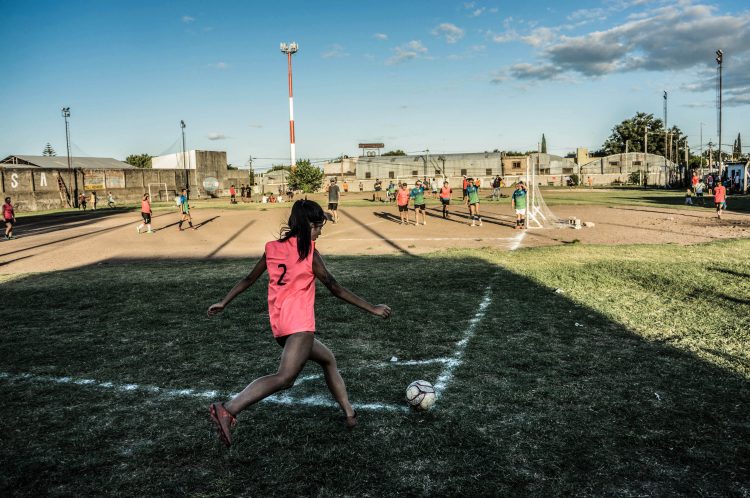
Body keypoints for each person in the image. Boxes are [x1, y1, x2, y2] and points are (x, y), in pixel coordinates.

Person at [207, 200, 391, 447]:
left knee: (328, 359)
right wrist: (372, 308)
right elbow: (334, 287)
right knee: (285, 378)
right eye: (318, 226)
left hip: (281, 325)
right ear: (307, 226)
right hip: (299, 325)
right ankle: (228, 408)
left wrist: (224, 301)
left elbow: (248, 278)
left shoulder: (273, 248)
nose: (320, 231)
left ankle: (349, 412)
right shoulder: (309, 253)